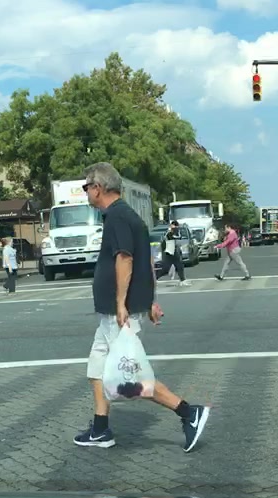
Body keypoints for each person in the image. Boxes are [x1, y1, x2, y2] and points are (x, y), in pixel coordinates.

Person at [75, 162, 210, 452]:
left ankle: (189, 412)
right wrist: (150, 300)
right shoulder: (128, 216)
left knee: (132, 377)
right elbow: (147, 259)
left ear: (98, 188)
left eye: (86, 187)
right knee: (96, 367)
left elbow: (125, 258)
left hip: (118, 313)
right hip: (116, 312)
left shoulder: (117, 217)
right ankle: (100, 429)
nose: (85, 192)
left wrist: (121, 303)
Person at [162, 221, 190, 286]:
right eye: (175, 226)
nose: (176, 228)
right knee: (165, 268)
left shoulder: (175, 232)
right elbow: (174, 238)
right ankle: (154, 278)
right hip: (169, 252)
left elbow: (178, 237)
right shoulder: (169, 233)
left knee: (179, 265)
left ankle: (182, 280)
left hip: (173, 251)